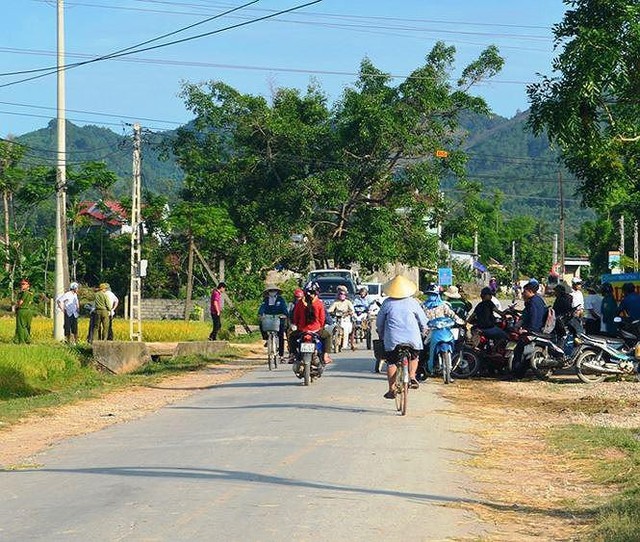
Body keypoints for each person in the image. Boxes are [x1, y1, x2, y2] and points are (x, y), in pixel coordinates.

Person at [376, 275, 428, 398]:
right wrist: (423, 331)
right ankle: (412, 376)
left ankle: (391, 389)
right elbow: (423, 321)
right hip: (412, 338)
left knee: (391, 362)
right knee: (414, 357)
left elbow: (379, 323)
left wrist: (381, 334)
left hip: (393, 339)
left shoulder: (387, 303)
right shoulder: (413, 302)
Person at [422, 283, 465, 376]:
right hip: (428, 331)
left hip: (443, 329)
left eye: (433, 295)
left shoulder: (443, 305)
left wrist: (460, 321)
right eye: (430, 294)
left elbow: (452, 314)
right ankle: (421, 369)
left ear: (438, 295)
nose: (431, 297)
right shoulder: (423, 306)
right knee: (422, 348)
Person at [510, 281, 548, 379]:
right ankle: (519, 374)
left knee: (521, 352)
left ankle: (517, 374)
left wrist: (528, 330)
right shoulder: (538, 300)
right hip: (536, 330)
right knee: (523, 352)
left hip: (533, 332)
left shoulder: (533, 302)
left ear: (530, 291)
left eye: (524, 291)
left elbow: (535, 318)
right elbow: (526, 316)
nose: (522, 293)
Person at [290, 281, 332, 364]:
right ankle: (325, 356)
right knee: (327, 336)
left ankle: (293, 355)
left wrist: (298, 325)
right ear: (316, 293)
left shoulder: (299, 303)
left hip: (302, 331)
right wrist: (320, 327)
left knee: (292, 337)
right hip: (316, 330)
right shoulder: (319, 304)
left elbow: (295, 317)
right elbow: (322, 319)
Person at [258, 284, 289, 363]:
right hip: (268, 319)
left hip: (279, 319)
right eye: (271, 291)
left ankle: (281, 356)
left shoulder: (280, 299)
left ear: (277, 292)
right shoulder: (266, 300)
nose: (272, 292)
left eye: (274, 291)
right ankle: (266, 338)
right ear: (268, 292)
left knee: (281, 336)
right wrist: (261, 314)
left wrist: (285, 314)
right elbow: (262, 308)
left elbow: (284, 308)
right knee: (261, 324)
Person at [328, 285, 355, 350]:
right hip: (337, 319)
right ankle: (331, 344)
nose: (341, 295)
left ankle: (344, 345)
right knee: (329, 328)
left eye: (343, 294)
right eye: (340, 294)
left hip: (346, 319)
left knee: (345, 329)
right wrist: (331, 313)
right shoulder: (335, 302)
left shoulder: (348, 302)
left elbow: (352, 310)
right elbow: (330, 310)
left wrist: (348, 313)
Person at [13, 278, 35, 344]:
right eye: (21, 284)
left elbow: (20, 302)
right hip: (29, 310)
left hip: (22, 310)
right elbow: (30, 302)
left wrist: (16, 306)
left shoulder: (24, 293)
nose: (22, 285)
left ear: (28, 285)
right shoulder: (31, 293)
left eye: (23, 284)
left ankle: (24, 340)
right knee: (26, 326)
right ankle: (19, 340)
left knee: (20, 326)